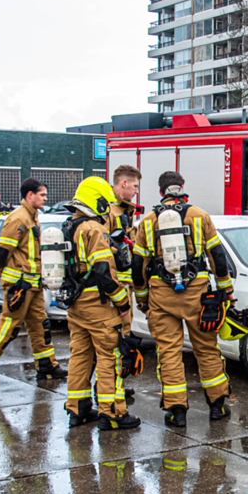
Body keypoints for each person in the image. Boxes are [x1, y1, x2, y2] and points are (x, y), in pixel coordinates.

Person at [131, 171, 234, 427]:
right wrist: (226, 292)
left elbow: (137, 266)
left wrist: (143, 300)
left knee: (168, 353)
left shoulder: (147, 222)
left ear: (161, 191)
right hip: (197, 294)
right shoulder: (200, 216)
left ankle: (176, 412)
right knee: (207, 349)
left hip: (161, 296)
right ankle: (218, 406)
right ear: (182, 187)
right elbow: (217, 257)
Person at [0, 178, 67, 386]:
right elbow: (3, 249)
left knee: (40, 325)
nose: (45, 198)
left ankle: (46, 366)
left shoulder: (33, 217)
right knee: (9, 327)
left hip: (33, 284)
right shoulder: (18, 218)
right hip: (20, 286)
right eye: (42, 194)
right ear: (30, 195)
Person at [61, 177, 141, 431]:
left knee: (80, 355)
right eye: (105, 204)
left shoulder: (69, 226)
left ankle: (79, 410)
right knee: (110, 356)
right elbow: (103, 271)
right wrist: (122, 301)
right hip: (98, 304)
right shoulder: (94, 229)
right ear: (96, 201)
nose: (107, 210)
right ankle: (112, 413)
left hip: (76, 304)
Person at [107, 164, 143, 399]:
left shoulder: (124, 212)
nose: (136, 191)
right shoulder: (110, 213)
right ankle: (111, 388)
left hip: (124, 286)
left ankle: (116, 383)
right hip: (115, 289)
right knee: (115, 338)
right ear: (123, 183)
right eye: (135, 186)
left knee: (123, 336)